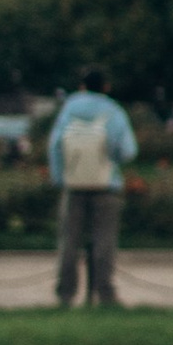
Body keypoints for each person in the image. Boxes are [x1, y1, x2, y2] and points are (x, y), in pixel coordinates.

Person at [48, 68, 137, 307]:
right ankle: (104, 292)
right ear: (105, 87)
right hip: (106, 185)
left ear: (82, 86)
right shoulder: (113, 112)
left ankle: (65, 294)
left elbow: (55, 145)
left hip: (73, 184)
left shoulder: (69, 109)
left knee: (69, 242)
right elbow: (128, 151)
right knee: (104, 241)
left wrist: (60, 177)